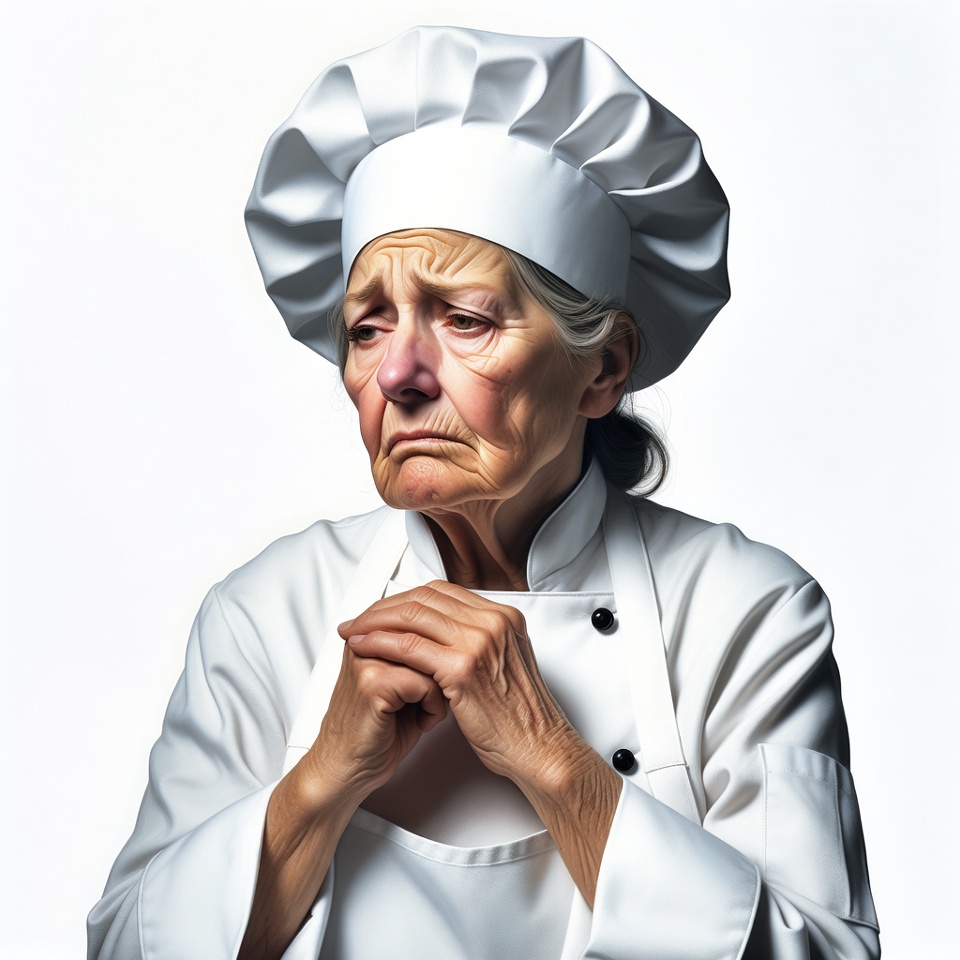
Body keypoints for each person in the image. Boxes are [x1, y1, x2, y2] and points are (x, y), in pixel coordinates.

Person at [87, 26, 879, 960]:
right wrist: (324, 777)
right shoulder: (265, 614)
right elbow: (124, 947)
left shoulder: (746, 610)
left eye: (464, 320)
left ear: (602, 370)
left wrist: (550, 757)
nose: (397, 375)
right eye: (367, 328)